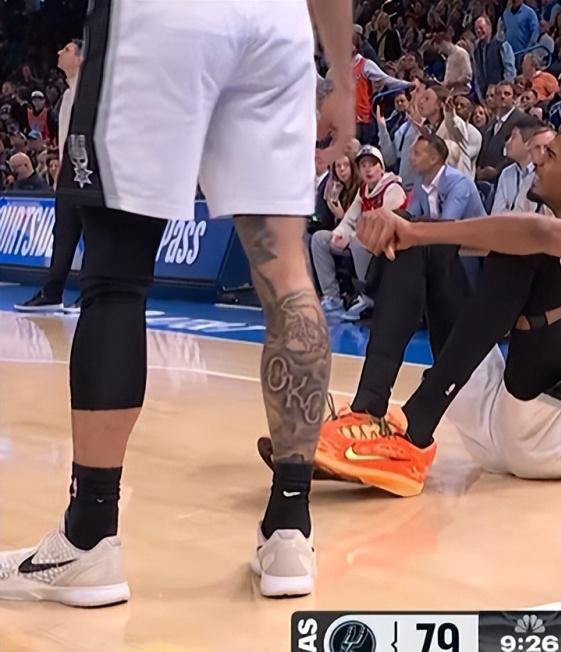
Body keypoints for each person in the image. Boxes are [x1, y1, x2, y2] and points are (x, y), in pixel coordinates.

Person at [0, 0, 355, 606]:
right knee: (287, 274)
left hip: (161, 22)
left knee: (115, 278)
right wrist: (343, 79)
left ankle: (90, 536)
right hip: (276, 27)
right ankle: (290, 529)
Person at [306, 121, 561, 493]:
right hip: (498, 420)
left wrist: (417, 232)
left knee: (523, 247)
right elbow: (462, 236)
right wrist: (407, 230)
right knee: (419, 241)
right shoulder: (537, 229)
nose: (537, 160)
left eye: (550, 155)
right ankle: (368, 413)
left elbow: (537, 233)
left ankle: (416, 425)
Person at [15, 39, 86, 314]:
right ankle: (52, 292)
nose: (59, 52)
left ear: (81, 58)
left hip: (88, 172)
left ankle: (90, 295)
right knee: (63, 234)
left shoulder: (92, 92)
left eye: (66, 50)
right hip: (68, 173)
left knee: (93, 236)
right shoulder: (67, 96)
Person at [312, 146, 405, 319]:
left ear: (382, 168)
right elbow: (350, 219)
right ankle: (332, 297)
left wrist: (350, 237)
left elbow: (385, 225)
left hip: (388, 244)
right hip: (363, 239)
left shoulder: (392, 188)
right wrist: (339, 234)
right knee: (320, 239)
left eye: (372, 164)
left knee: (357, 242)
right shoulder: (363, 189)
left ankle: (368, 297)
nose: (368, 169)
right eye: (363, 165)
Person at [492, 117, 553, 214]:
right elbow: (496, 214)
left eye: (513, 137)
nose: (507, 143)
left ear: (528, 144)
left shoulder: (544, 175)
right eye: (538, 147)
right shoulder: (506, 173)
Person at [477, 81, 525, 182]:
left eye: (507, 94)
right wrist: (479, 168)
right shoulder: (492, 121)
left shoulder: (521, 120)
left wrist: (497, 170)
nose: (502, 97)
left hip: (507, 178)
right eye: (499, 94)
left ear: (514, 98)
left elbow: (519, 151)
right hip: (484, 178)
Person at [473, 16, 517, 98]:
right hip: (486, 95)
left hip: (501, 94)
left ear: (489, 27)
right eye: (476, 29)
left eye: (481, 27)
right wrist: (481, 96)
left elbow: (510, 69)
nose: (478, 31)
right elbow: (477, 76)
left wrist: (505, 89)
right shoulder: (476, 50)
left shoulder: (501, 44)